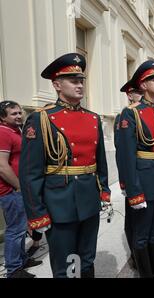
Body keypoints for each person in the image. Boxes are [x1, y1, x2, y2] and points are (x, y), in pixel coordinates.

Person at [20, 53, 111, 278]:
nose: (80, 85)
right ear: (57, 84)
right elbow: (30, 172)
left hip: (89, 198)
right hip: (60, 202)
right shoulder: (41, 119)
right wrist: (36, 213)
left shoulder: (92, 118)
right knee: (66, 266)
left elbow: (100, 161)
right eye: (73, 80)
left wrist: (104, 190)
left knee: (87, 259)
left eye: (81, 80)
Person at [117, 60, 154, 277]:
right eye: (153, 79)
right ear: (142, 85)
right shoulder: (131, 113)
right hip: (143, 181)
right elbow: (126, 156)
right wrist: (133, 190)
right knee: (141, 236)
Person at [0, 101, 42, 278]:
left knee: (21, 227)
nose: (18, 116)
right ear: (3, 117)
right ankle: (13, 269)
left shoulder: (16, 130)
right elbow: (1, 165)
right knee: (15, 230)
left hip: (20, 189)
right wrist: (18, 186)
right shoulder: (2, 132)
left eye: (19, 112)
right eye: (13, 114)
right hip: (11, 191)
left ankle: (22, 259)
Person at [115, 80, 144, 269]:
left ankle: (146, 255)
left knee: (144, 220)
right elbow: (122, 151)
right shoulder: (123, 116)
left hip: (147, 172)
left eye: (142, 91)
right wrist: (125, 181)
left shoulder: (145, 113)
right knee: (134, 219)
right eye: (136, 92)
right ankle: (136, 255)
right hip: (133, 173)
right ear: (129, 95)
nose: (140, 94)